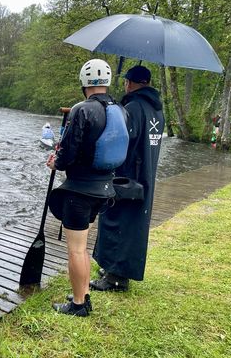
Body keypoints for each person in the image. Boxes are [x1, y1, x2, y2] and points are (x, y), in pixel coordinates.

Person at [47, 58, 128, 317]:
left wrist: (55, 162)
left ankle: (79, 305)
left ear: (85, 82)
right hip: (104, 189)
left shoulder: (82, 109)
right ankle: (84, 295)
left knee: (77, 249)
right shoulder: (121, 110)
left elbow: (68, 152)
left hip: (80, 191)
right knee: (82, 245)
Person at [91, 65, 165, 292]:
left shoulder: (133, 106)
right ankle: (115, 269)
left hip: (128, 177)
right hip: (146, 176)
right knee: (134, 226)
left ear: (130, 83)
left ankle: (115, 278)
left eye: (125, 82)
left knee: (118, 221)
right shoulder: (157, 110)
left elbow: (122, 142)